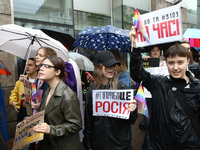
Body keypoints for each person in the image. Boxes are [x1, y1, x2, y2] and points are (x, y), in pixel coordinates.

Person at [129, 27, 200, 149]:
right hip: (159, 145)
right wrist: (134, 46)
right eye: (171, 63)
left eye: (180, 62)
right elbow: (137, 73)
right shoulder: (158, 83)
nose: (175, 67)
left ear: (188, 61)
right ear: (166, 63)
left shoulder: (197, 87)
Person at [83, 50, 138, 150]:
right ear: (98, 67)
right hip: (99, 142)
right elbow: (88, 120)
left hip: (120, 144)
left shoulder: (122, 88)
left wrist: (132, 110)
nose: (112, 68)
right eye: (108, 65)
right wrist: (88, 143)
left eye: (113, 65)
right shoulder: (92, 90)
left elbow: (132, 120)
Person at [33, 56, 82, 150]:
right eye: (42, 65)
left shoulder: (68, 96)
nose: (41, 68)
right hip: (49, 144)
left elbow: (76, 125)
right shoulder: (48, 91)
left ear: (57, 72)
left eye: (46, 66)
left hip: (63, 146)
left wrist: (50, 129)